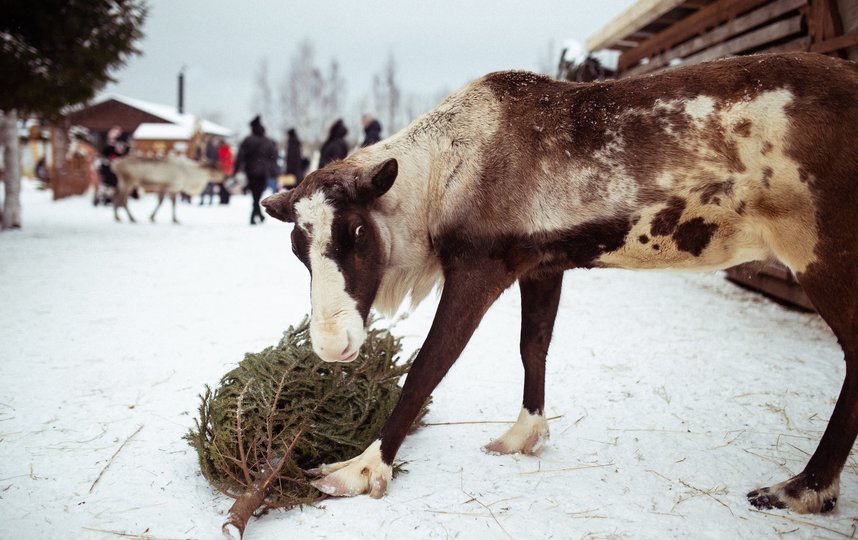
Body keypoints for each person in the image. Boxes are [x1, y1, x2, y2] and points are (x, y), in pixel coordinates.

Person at [232, 115, 278, 225]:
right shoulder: (268, 141)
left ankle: (255, 216)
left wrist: (236, 170)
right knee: (257, 195)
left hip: (251, 172)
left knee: (255, 195)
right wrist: (273, 172)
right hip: (263, 173)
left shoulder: (248, 140)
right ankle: (258, 215)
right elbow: (273, 158)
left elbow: (240, 156)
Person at [217, 139, 234, 205]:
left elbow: (221, 160)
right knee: (226, 186)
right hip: (228, 170)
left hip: (222, 171)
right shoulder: (229, 149)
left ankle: (223, 200)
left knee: (222, 187)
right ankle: (226, 200)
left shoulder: (221, 150)